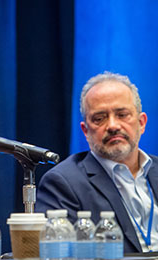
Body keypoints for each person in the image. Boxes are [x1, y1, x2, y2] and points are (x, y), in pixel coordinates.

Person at [36, 71, 158, 253]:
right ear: (86, 131)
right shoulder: (63, 183)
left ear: (141, 123)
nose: (112, 126)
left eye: (122, 114)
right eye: (99, 119)